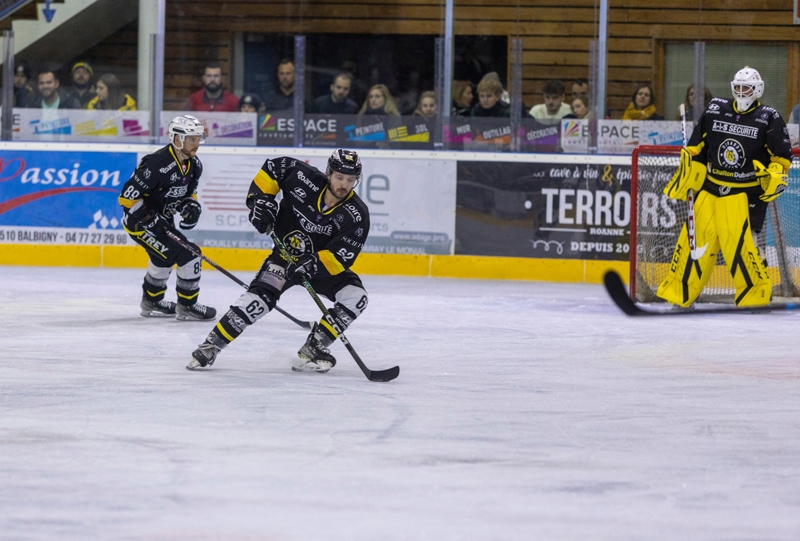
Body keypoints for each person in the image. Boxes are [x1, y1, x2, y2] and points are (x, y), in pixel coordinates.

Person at [187, 149, 371, 373]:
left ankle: (315, 345)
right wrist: (261, 201)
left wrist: (314, 264)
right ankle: (211, 346)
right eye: (339, 177)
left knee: (357, 297)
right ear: (328, 173)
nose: (344, 184)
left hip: (317, 269)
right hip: (284, 257)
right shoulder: (303, 177)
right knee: (258, 301)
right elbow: (272, 169)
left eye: (350, 180)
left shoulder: (357, 214)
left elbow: (342, 256)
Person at [657, 66, 792, 308]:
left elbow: (782, 157)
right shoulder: (715, 109)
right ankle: (682, 293)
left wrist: (774, 174)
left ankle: (755, 297)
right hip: (711, 187)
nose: (741, 92)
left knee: (741, 247)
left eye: (747, 88)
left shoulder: (769, 117)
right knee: (694, 244)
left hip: (745, 193)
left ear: (757, 89)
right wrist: (690, 166)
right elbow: (697, 147)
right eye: (738, 87)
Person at [118, 115, 216, 321]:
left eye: (199, 138)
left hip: (163, 221)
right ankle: (187, 306)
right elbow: (126, 198)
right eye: (192, 139)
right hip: (139, 223)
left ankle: (151, 301)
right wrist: (149, 219)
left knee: (162, 256)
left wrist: (191, 206)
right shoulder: (156, 164)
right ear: (178, 139)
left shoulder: (194, 165)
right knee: (190, 254)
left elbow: (189, 193)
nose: (197, 144)